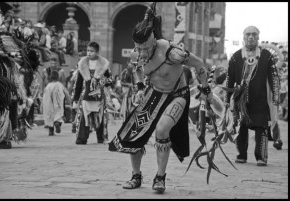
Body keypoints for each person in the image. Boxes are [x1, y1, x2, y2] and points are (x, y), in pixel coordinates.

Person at [108, 3, 212, 193]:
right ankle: (136, 175)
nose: (141, 53)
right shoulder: (137, 53)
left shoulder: (172, 52)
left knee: (162, 130)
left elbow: (198, 64)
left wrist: (205, 88)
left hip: (177, 94)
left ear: (153, 42)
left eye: (144, 49)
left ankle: (160, 177)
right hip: (154, 93)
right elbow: (137, 70)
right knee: (135, 131)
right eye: (138, 48)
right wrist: (140, 88)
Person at [224, 26, 280, 166]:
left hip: (260, 100)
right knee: (240, 128)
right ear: (243, 37)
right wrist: (226, 100)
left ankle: (261, 157)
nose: (251, 37)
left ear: (258, 37)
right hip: (240, 101)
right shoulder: (236, 57)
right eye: (248, 34)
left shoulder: (267, 56)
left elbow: (274, 78)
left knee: (262, 128)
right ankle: (241, 154)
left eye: (254, 34)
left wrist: (276, 97)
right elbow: (229, 79)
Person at [73, 42, 111, 144]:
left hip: (99, 95)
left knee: (99, 116)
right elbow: (79, 83)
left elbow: (109, 80)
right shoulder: (82, 65)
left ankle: (101, 137)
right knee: (84, 116)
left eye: (92, 51)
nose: (89, 53)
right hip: (86, 95)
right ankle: (82, 138)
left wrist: (104, 82)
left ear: (97, 52)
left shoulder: (104, 65)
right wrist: (75, 99)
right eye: (88, 51)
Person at [43, 70, 71, 136]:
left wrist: (43, 105)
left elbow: (44, 96)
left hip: (49, 104)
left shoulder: (48, 86)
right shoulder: (60, 85)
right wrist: (69, 101)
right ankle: (57, 123)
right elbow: (66, 93)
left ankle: (51, 131)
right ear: (58, 77)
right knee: (58, 116)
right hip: (58, 103)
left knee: (50, 117)